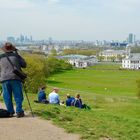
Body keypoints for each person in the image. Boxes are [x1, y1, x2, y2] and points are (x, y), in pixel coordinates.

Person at [0, 42, 26, 118]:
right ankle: (19, 112)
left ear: (4, 50)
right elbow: (24, 65)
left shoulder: (0, 57)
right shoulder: (16, 56)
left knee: (7, 96)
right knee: (18, 95)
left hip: (4, 78)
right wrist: (17, 54)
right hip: (15, 77)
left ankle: (10, 112)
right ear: (12, 49)